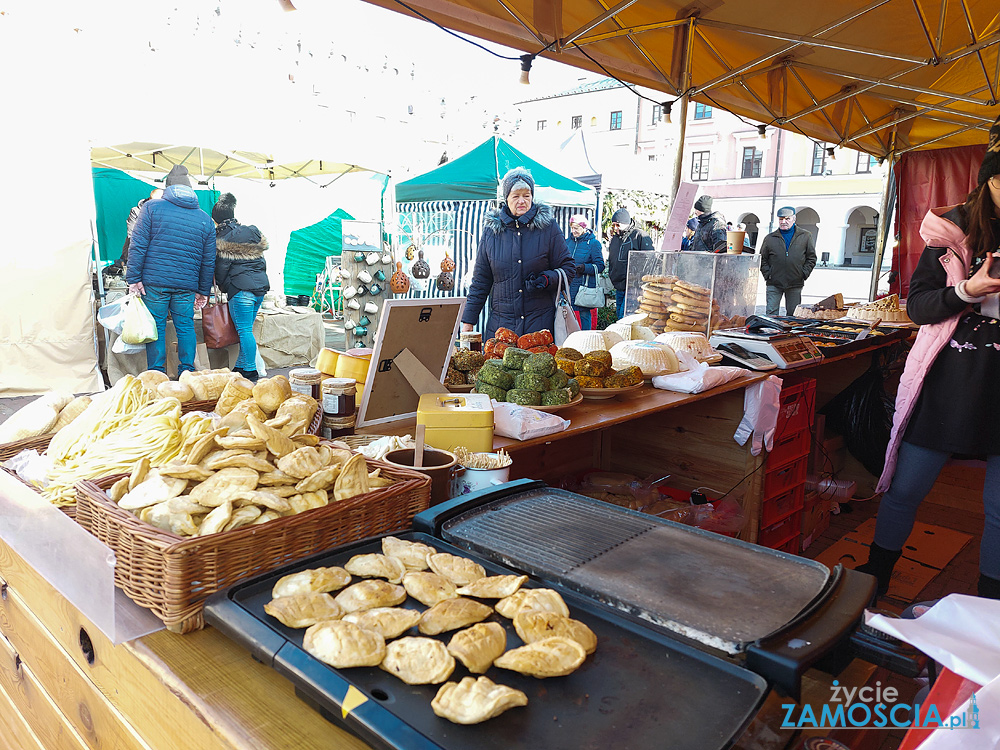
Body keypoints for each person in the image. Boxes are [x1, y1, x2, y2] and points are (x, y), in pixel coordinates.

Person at [859, 115, 1000, 600]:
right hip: (946, 384)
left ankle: (986, 615)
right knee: (905, 490)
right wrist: (967, 290)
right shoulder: (953, 229)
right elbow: (919, 305)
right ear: (990, 179)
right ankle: (874, 583)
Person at [461, 167, 575, 339]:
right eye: (516, 196)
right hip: (501, 330)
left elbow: (569, 268)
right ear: (506, 198)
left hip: (540, 329)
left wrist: (546, 279)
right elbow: (480, 281)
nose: (522, 201)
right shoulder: (491, 232)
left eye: (526, 195)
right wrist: (468, 321)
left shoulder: (548, 228)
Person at [126, 164, 216, 376]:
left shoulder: (151, 208)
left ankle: (157, 375)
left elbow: (137, 245)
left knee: (156, 326)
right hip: (186, 285)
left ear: (168, 188)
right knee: (185, 326)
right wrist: (203, 291)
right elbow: (208, 260)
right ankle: (187, 373)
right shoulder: (205, 219)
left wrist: (134, 278)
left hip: (154, 282)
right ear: (190, 189)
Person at [212, 192, 269, 383]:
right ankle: (240, 366)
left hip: (241, 288)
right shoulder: (251, 232)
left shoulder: (223, 239)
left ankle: (250, 370)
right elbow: (262, 262)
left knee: (244, 331)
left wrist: (226, 286)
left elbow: (221, 269)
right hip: (260, 288)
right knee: (246, 330)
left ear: (216, 220)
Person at [758, 206, 816, 314]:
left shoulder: (805, 236)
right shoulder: (770, 238)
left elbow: (811, 257)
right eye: (781, 219)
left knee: (793, 314)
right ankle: (772, 331)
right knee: (771, 312)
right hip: (774, 282)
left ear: (794, 219)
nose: (783, 222)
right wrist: (768, 274)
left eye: (787, 219)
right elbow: (762, 259)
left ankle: (789, 331)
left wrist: (803, 273)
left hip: (795, 282)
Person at [607, 207, 654, 319]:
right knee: (620, 317)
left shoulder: (639, 235)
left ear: (626, 223)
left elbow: (651, 259)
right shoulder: (615, 238)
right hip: (619, 285)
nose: (615, 228)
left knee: (625, 318)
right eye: (613, 225)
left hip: (634, 286)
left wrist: (639, 280)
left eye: (618, 225)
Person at [565, 214, 606, 331]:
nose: (573, 231)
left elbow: (600, 266)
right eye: (572, 228)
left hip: (583, 287)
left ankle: (586, 338)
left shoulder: (593, 244)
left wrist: (584, 268)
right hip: (568, 284)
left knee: (583, 314)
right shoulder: (568, 242)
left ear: (584, 228)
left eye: (576, 228)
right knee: (568, 313)